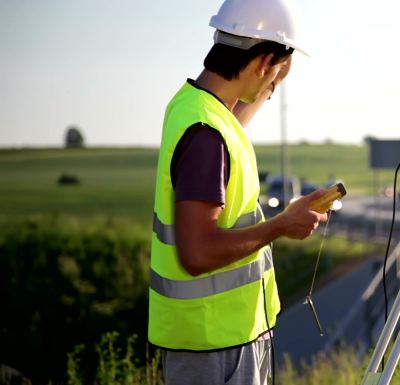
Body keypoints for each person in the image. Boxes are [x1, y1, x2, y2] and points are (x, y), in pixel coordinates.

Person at [147, 1, 327, 384]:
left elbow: (236, 119)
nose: (271, 83)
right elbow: (197, 253)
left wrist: (276, 78)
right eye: (272, 71)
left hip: (226, 337)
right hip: (213, 346)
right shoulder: (206, 136)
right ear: (262, 61)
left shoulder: (197, 109)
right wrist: (282, 225)